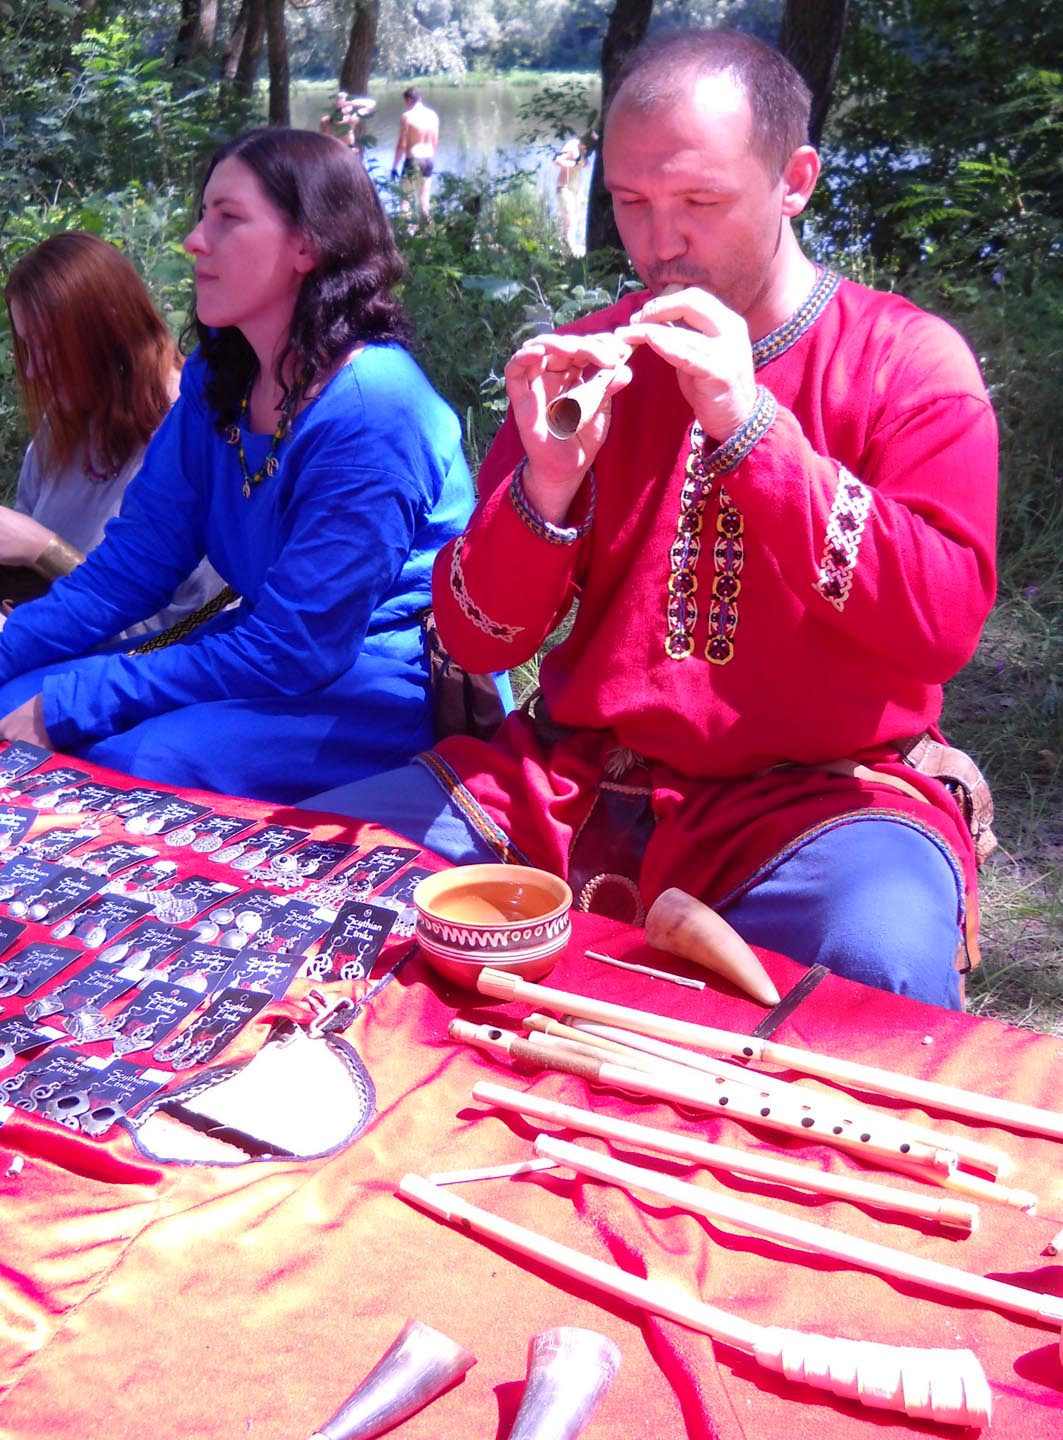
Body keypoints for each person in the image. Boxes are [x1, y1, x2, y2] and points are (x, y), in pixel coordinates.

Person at [305, 30, 998, 1010]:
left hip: (816, 804)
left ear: (795, 181)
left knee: (877, 970)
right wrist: (545, 485)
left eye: (698, 203)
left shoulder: (907, 364)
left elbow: (939, 627)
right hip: (571, 788)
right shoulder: (588, 357)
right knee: (307, 875)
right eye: (629, 200)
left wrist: (751, 427)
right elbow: (474, 638)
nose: (658, 242)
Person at [0, 127, 478, 803]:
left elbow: (299, 647)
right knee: (15, 697)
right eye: (203, 215)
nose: (195, 240)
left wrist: (84, 696)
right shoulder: (218, 379)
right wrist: (11, 652)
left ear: (308, 245)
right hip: (265, 655)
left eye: (228, 218)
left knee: (127, 763)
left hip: (378, 681)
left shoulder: (375, 411)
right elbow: (131, 568)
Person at [2, 232, 224, 637]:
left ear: (111, 327)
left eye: (48, 346)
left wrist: (44, 549)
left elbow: (180, 630)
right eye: (27, 348)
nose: (33, 370)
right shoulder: (60, 427)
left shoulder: (196, 435)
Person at [391, 87, 440, 217]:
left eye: (405, 101)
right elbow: (435, 141)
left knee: (405, 200)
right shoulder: (433, 116)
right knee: (424, 202)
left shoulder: (407, 116)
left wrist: (394, 167)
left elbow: (402, 144)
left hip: (413, 159)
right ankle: (428, 228)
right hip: (429, 159)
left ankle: (406, 229)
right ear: (420, 98)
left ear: (409, 100)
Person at [553, 135, 586, 253]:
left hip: (575, 190)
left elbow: (585, 165)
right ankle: (569, 250)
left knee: (575, 219)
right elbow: (557, 161)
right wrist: (573, 164)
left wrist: (583, 163)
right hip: (564, 187)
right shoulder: (572, 144)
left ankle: (566, 248)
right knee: (570, 220)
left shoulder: (584, 148)